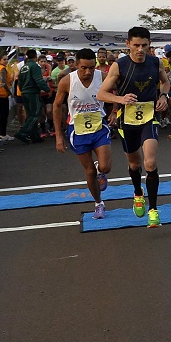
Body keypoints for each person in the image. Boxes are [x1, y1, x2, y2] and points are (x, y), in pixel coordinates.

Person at [97, 27, 170, 228]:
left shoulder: (156, 63)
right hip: (126, 119)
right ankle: (138, 192)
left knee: (150, 162)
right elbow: (101, 94)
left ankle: (154, 210)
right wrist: (120, 98)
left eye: (144, 45)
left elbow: (165, 83)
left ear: (149, 45)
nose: (140, 50)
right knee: (135, 164)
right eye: (136, 45)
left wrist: (164, 96)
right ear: (128, 44)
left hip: (149, 116)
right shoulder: (119, 66)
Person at [53, 49, 112, 220]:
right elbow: (57, 106)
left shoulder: (102, 77)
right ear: (76, 65)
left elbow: (115, 92)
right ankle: (98, 204)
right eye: (84, 68)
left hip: (99, 127)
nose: (88, 72)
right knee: (89, 172)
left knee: (105, 167)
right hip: (77, 131)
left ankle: (101, 169)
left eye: (91, 68)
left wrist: (115, 110)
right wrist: (58, 135)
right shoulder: (67, 81)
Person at [15, 49, 49, 143]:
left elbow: (19, 81)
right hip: (32, 92)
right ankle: (23, 132)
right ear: (35, 57)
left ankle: (34, 136)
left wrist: (23, 90)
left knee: (30, 114)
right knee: (34, 114)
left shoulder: (24, 67)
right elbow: (39, 80)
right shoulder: (35, 66)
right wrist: (47, 89)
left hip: (24, 92)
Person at [0, 54, 13, 144]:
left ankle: (2, 133)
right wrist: (9, 92)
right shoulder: (2, 69)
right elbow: (4, 81)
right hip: (2, 93)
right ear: (0, 60)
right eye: (4, 59)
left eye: (7, 59)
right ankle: (3, 134)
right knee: (4, 114)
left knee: (3, 114)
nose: (6, 61)